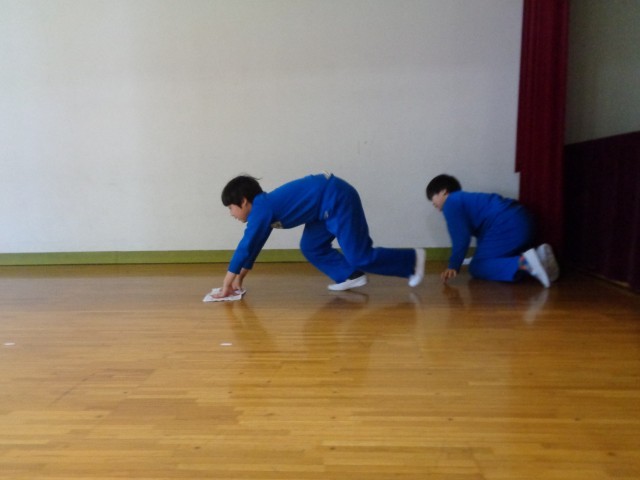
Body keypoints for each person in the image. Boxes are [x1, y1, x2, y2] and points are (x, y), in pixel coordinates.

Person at [213, 172, 425, 298]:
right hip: (322, 209)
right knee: (311, 246)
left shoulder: (261, 209)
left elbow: (245, 246)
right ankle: (350, 275)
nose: (231, 214)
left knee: (360, 255)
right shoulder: (264, 209)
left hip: (336, 198)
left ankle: (413, 260)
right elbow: (254, 247)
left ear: (243, 202)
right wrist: (239, 278)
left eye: (231, 208)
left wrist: (226, 283)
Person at [425, 174, 559, 287]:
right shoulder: (467, 200)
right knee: (487, 259)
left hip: (507, 224)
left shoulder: (451, 203)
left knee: (477, 266)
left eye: (433, 199)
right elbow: (484, 238)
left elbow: (461, 238)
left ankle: (526, 262)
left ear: (444, 192)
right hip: (523, 220)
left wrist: (453, 265)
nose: (435, 206)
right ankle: (540, 258)